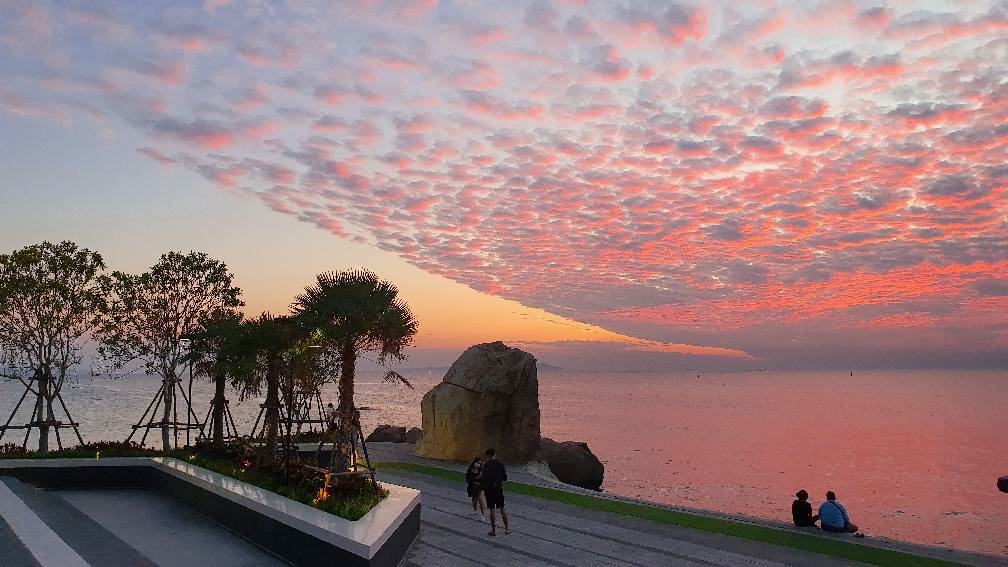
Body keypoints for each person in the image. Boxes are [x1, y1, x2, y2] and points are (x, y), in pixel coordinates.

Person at [481, 448, 510, 536]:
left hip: (489, 490)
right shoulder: (500, 464)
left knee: (492, 510)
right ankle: (507, 529)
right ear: (494, 455)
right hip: (498, 489)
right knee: (502, 508)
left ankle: (493, 530)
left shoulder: (486, 465)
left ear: (488, 456)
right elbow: (505, 478)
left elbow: (483, 478)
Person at [465, 456, 486, 521]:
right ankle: (475, 511)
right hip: (473, 486)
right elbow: (468, 478)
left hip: (481, 486)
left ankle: (483, 515)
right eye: (477, 463)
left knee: (480, 499)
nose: (478, 465)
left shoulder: (482, 469)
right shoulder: (470, 469)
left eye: (479, 463)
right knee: (474, 499)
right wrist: (476, 478)